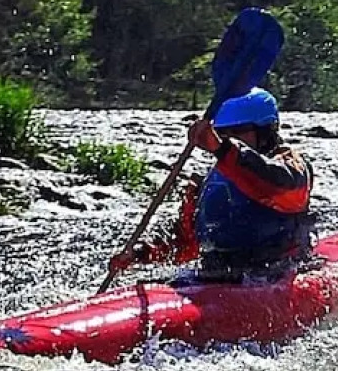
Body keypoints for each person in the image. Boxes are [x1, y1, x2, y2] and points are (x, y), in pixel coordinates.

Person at [108, 88, 315, 283]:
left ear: (265, 131)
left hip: (277, 273)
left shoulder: (290, 168)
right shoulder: (211, 179)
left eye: (237, 132)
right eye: (222, 133)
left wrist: (222, 149)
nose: (228, 139)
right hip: (222, 277)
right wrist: (140, 253)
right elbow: (186, 243)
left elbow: (274, 185)